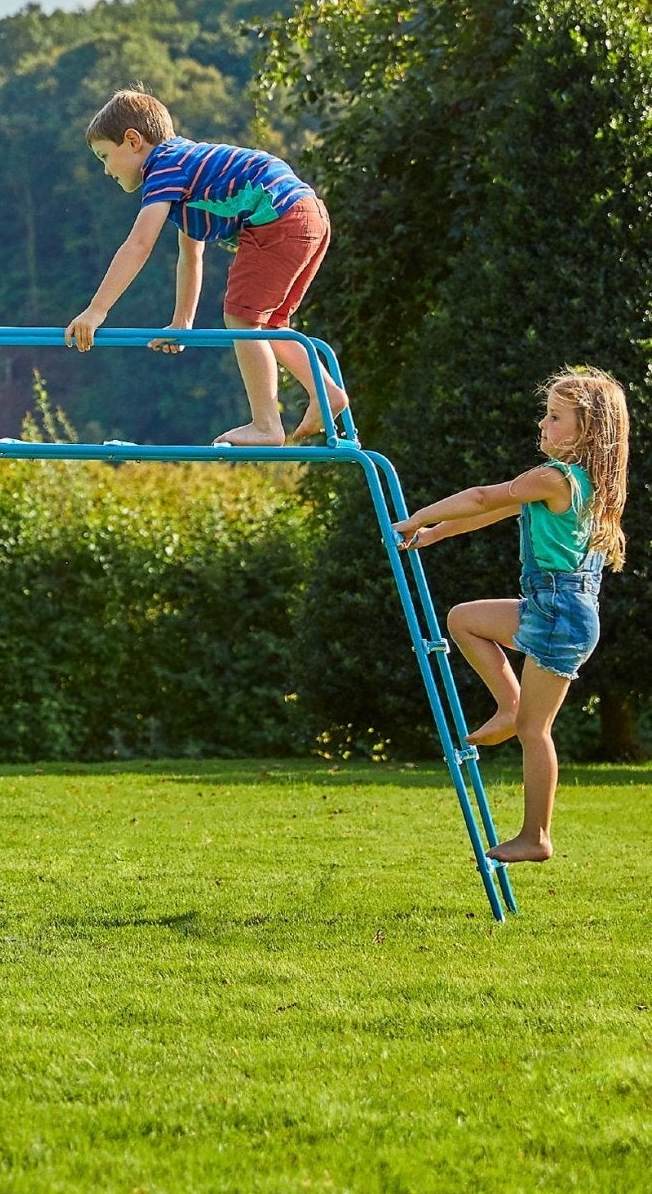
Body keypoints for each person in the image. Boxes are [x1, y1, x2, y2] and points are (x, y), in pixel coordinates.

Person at [394, 368, 629, 865]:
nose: (542, 424)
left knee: (535, 731)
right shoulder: (576, 484)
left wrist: (417, 516)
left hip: (559, 612)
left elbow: (482, 495)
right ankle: (507, 705)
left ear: (585, 431)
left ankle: (536, 835)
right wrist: (436, 534)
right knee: (464, 619)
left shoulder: (552, 478)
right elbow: (496, 510)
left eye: (554, 416)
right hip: (559, 609)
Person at [63, 88, 343, 446]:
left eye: (104, 156)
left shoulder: (163, 167)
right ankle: (326, 392)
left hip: (280, 218)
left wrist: (95, 311)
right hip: (308, 215)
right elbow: (190, 254)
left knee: (243, 321)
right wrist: (182, 323)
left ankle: (266, 425)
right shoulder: (189, 170)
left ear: (133, 141)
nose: (105, 170)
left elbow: (138, 245)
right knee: (270, 324)